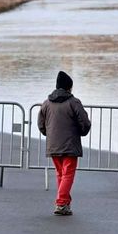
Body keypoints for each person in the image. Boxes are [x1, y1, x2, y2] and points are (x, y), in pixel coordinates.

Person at [37, 70, 91, 216]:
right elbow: (84, 123)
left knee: (61, 174)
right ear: (69, 87)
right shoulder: (74, 102)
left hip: (53, 144)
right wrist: (81, 132)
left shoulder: (46, 103)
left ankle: (65, 204)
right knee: (68, 174)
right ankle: (61, 203)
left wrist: (50, 135)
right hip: (70, 145)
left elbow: (41, 125)